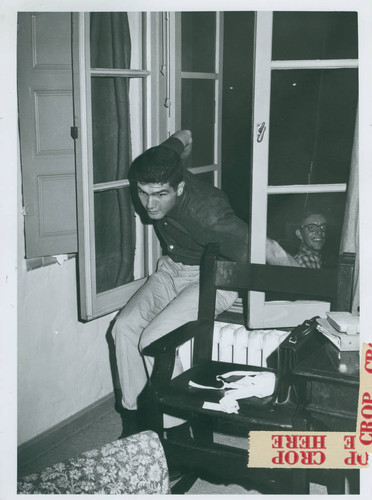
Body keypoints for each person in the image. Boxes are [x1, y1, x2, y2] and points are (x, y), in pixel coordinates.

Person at [112, 130, 298, 438]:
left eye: (160, 194)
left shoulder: (208, 214)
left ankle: (175, 427)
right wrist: (184, 143)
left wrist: (311, 292)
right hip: (172, 269)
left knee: (153, 339)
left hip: (214, 278)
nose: (149, 204)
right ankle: (136, 420)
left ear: (180, 187)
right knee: (125, 327)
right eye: (142, 192)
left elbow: (267, 248)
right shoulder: (161, 163)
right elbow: (183, 137)